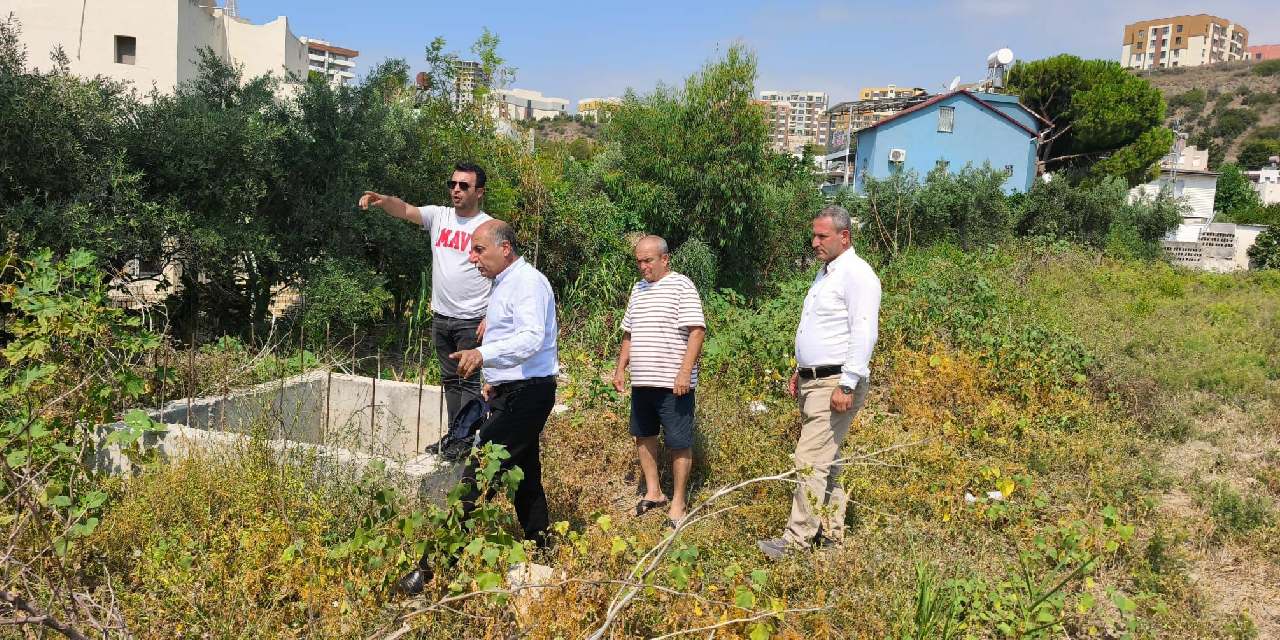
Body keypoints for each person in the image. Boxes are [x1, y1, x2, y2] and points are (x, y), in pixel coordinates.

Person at [396, 219, 559, 596]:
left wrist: (483, 354)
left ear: (505, 248)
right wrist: (494, 381)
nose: (472, 258)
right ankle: (542, 547)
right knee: (525, 475)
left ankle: (432, 569)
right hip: (513, 392)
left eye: (479, 250)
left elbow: (533, 337)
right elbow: (511, 337)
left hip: (529, 394)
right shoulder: (504, 283)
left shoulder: (528, 282)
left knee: (478, 473)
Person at [758, 205, 881, 561]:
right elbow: (826, 331)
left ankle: (797, 541)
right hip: (818, 380)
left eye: (822, 236)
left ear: (845, 236)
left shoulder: (857, 274)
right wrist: (803, 369)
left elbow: (863, 331)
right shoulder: (828, 273)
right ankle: (831, 534)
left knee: (809, 459)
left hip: (835, 383)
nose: (814, 242)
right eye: (814, 235)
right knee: (827, 458)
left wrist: (846, 384)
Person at [359, 162, 491, 426]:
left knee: (469, 382)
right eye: (452, 184)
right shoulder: (439, 216)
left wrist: (492, 316)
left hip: (472, 321)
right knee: (450, 381)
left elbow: (503, 274)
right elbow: (406, 209)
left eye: (464, 186)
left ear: (479, 192)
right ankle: (456, 435)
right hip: (442, 318)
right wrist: (383, 200)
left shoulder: (488, 227)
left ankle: (465, 442)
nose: (456, 190)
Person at [612, 236, 706, 527]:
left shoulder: (681, 286)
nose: (642, 266)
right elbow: (629, 333)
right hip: (643, 381)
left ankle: (678, 502)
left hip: (672, 382)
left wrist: (684, 372)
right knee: (643, 435)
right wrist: (619, 369)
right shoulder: (637, 290)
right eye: (639, 261)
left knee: (678, 442)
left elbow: (697, 331)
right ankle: (654, 493)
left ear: (665, 259)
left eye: (648, 260)